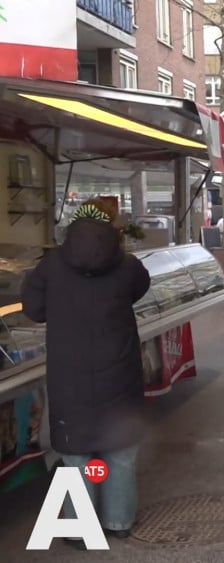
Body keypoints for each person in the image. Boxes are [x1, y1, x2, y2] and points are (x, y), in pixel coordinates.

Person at [21, 199, 151, 547]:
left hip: (69, 372)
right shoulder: (127, 264)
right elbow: (140, 289)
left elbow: (32, 310)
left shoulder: (50, 265)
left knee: (77, 452)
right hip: (119, 369)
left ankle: (80, 531)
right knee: (119, 449)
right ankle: (118, 521)